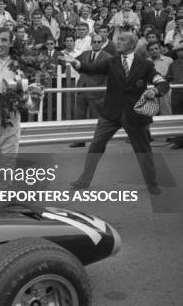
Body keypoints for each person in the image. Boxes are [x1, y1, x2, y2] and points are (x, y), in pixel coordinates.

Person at [61, 32, 170, 195]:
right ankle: (84, 180)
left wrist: (155, 91)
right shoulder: (111, 62)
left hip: (135, 115)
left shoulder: (145, 65)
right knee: (96, 145)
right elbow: (92, 69)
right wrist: (76, 62)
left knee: (143, 150)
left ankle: (152, 183)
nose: (117, 42)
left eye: (122, 40)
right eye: (117, 40)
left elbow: (162, 83)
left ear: (132, 45)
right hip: (110, 114)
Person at [69, 34, 112, 147]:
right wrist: (82, 74)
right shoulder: (85, 54)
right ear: (91, 43)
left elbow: (108, 74)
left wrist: (101, 86)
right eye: (94, 42)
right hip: (82, 88)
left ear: (102, 43)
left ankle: (97, 142)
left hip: (97, 90)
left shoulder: (108, 57)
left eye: (99, 42)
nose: (96, 44)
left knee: (96, 117)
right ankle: (79, 141)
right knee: (79, 116)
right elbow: (75, 63)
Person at [147, 42, 173, 115]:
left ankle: (167, 120)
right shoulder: (145, 62)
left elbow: (172, 75)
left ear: (160, 49)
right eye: (151, 49)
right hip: (150, 87)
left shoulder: (169, 60)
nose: (154, 51)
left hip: (166, 86)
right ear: (148, 52)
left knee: (166, 92)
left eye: (156, 48)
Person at [166, 42, 183, 149]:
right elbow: (168, 78)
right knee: (177, 117)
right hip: (176, 94)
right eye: (178, 50)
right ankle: (179, 141)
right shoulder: (173, 64)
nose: (179, 52)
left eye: (181, 49)